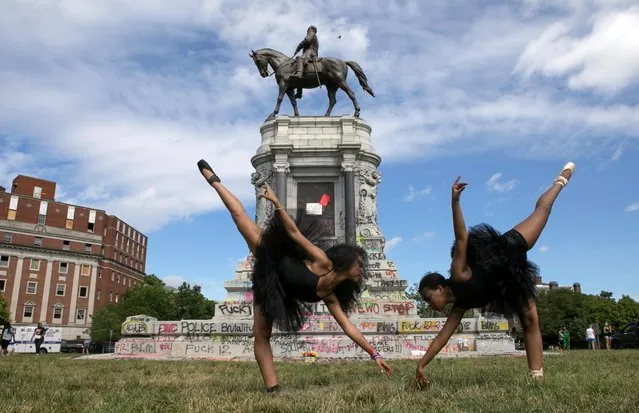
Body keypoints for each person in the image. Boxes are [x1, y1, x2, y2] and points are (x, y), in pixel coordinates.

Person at [197, 159, 392, 393]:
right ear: (347, 261)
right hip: (273, 255)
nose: (361, 269)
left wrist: (375, 354)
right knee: (239, 217)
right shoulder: (323, 261)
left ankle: (273, 389)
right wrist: (277, 203)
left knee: (261, 334)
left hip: (274, 288)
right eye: (359, 264)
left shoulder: (330, 296)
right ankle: (214, 181)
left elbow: (348, 327)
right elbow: (295, 233)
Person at [415, 162, 576, 385]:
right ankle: (537, 380)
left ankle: (560, 182)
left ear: (439, 288)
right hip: (509, 282)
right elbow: (443, 337)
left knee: (542, 210)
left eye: (428, 297)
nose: (429, 303)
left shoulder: (458, 272)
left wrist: (455, 201)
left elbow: (462, 237)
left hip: (508, 248)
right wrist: (421, 364)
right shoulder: (459, 307)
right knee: (530, 320)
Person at [292, 25, 319, 99]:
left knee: (300, 59)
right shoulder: (314, 36)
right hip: (310, 52)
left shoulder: (312, 33)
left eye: (308, 29)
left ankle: (298, 74)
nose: (307, 31)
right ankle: (299, 93)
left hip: (310, 52)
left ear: (312, 30)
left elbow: (306, 41)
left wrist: (298, 47)